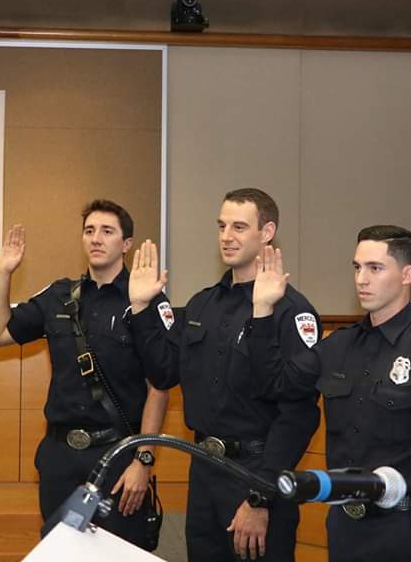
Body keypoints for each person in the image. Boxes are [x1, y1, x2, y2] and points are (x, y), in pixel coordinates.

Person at [243, 224, 411, 562]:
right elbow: (272, 385)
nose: (361, 279)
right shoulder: (338, 346)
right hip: (345, 527)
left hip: (406, 530)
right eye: (357, 267)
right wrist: (262, 311)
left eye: (375, 268)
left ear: (407, 274)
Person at [129, 188, 320, 562]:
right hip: (204, 470)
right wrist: (141, 309)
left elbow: (298, 415)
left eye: (239, 226)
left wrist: (260, 497)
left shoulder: (290, 310)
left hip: (257, 473)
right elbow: (164, 373)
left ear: (266, 233)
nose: (226, 236)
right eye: (221, 226)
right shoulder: (203, 303)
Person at [0, 200, 174, 548]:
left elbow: (159, 387)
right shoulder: (58, 295)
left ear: (126, 244)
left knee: (118, 553)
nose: (96, 239)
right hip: (60, 455)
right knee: (60, 551)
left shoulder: (146, 300)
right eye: (89, 231)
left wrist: (143, 460)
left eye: (107, 231)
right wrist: (3, 274)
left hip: (117, 456)